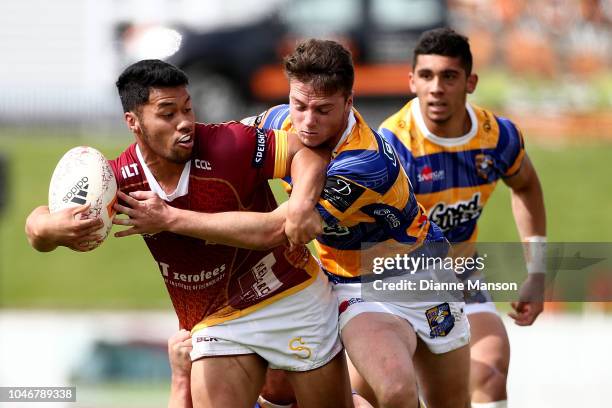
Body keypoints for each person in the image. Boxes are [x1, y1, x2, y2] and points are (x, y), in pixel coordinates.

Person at [24, 59, 354, 408]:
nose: (184, 123)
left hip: (291, 298)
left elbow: (304, 154)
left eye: (188, 108)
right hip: (217, 322)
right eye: (168, 114)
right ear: (133, 122)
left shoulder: (230, 144)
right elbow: (36, 226)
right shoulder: (118, 180)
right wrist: (50, 228)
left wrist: (301, 202)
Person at [247, 39, 472, 408]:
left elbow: (284, 229)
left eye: (322, 110)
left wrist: (175, 218)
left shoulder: (366, 161)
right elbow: (223, 145)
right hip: (355, 285)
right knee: (396, 391)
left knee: (452, 401)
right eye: (299, 104)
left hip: (422, 274)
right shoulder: (280, 119)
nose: (306, 121)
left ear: (349, 102)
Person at [378, 28, 547, 407]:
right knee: (385, 392)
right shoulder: (392, 146)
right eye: (426, 76)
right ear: (412, 82)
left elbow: (526, 187)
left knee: (489, 373)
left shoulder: (498, 138)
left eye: (449, 76)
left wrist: (536, 272)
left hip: (460, 278)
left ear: (470, 82)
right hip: (393, 286)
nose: (436, 88)